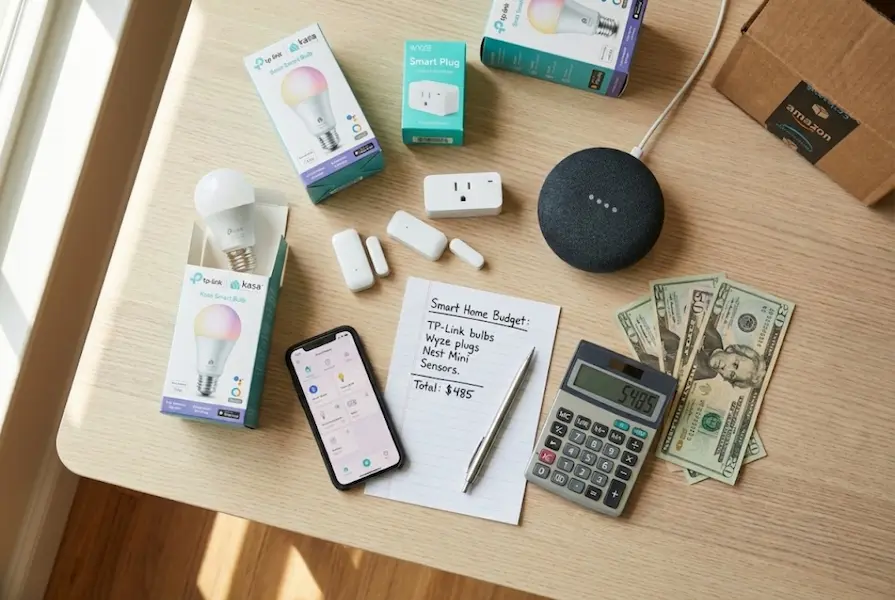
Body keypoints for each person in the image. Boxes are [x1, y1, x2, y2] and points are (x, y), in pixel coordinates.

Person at [691, 323, 767, 388]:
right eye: (735, 364)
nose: (726, 368)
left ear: (725, 378)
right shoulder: (713, 336)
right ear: (731, 350)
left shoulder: (708, 372)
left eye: (732, 374)